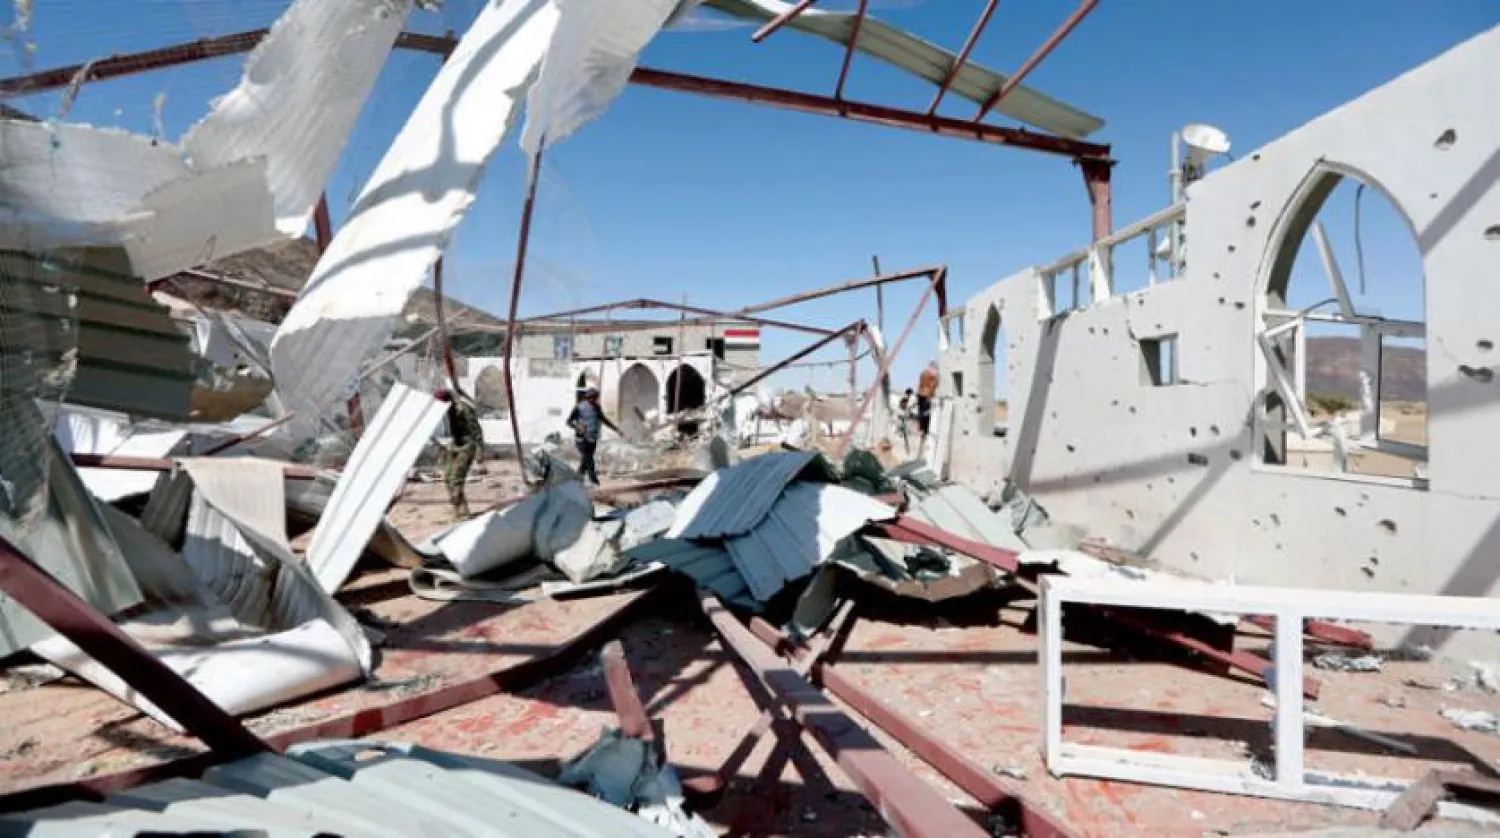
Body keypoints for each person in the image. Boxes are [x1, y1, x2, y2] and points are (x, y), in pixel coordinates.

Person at [435, 388, 482, 520]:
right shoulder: (446, 410)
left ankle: (461, 513)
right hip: (455, 444)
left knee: (456, 479)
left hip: (467, 445)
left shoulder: (463, 408)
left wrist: (479, 450)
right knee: (448, 477)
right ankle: (459, 509)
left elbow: (476, 429)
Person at [566, 386, 619, 486]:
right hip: (581, 438)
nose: (594, 400)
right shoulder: (579, 407)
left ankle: (577, 480)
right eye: (592, 397)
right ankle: (594, 482)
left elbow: (604, 420)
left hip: (592, 438)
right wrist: (577, 427)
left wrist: (616, 429)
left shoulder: (597, 407)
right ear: (587, 397)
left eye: (595, 397)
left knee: (586, 460)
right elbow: (568, 422)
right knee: (589, 459)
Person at [915, 362, 938, 444]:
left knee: (920, 412)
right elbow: (933, 386)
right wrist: (930, 396)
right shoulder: (933, 375)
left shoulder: (923, 373)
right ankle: (925, 431)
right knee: (927, 414)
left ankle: (921, 430)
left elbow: (920, 384)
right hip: (926, 394)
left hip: (920, 394)